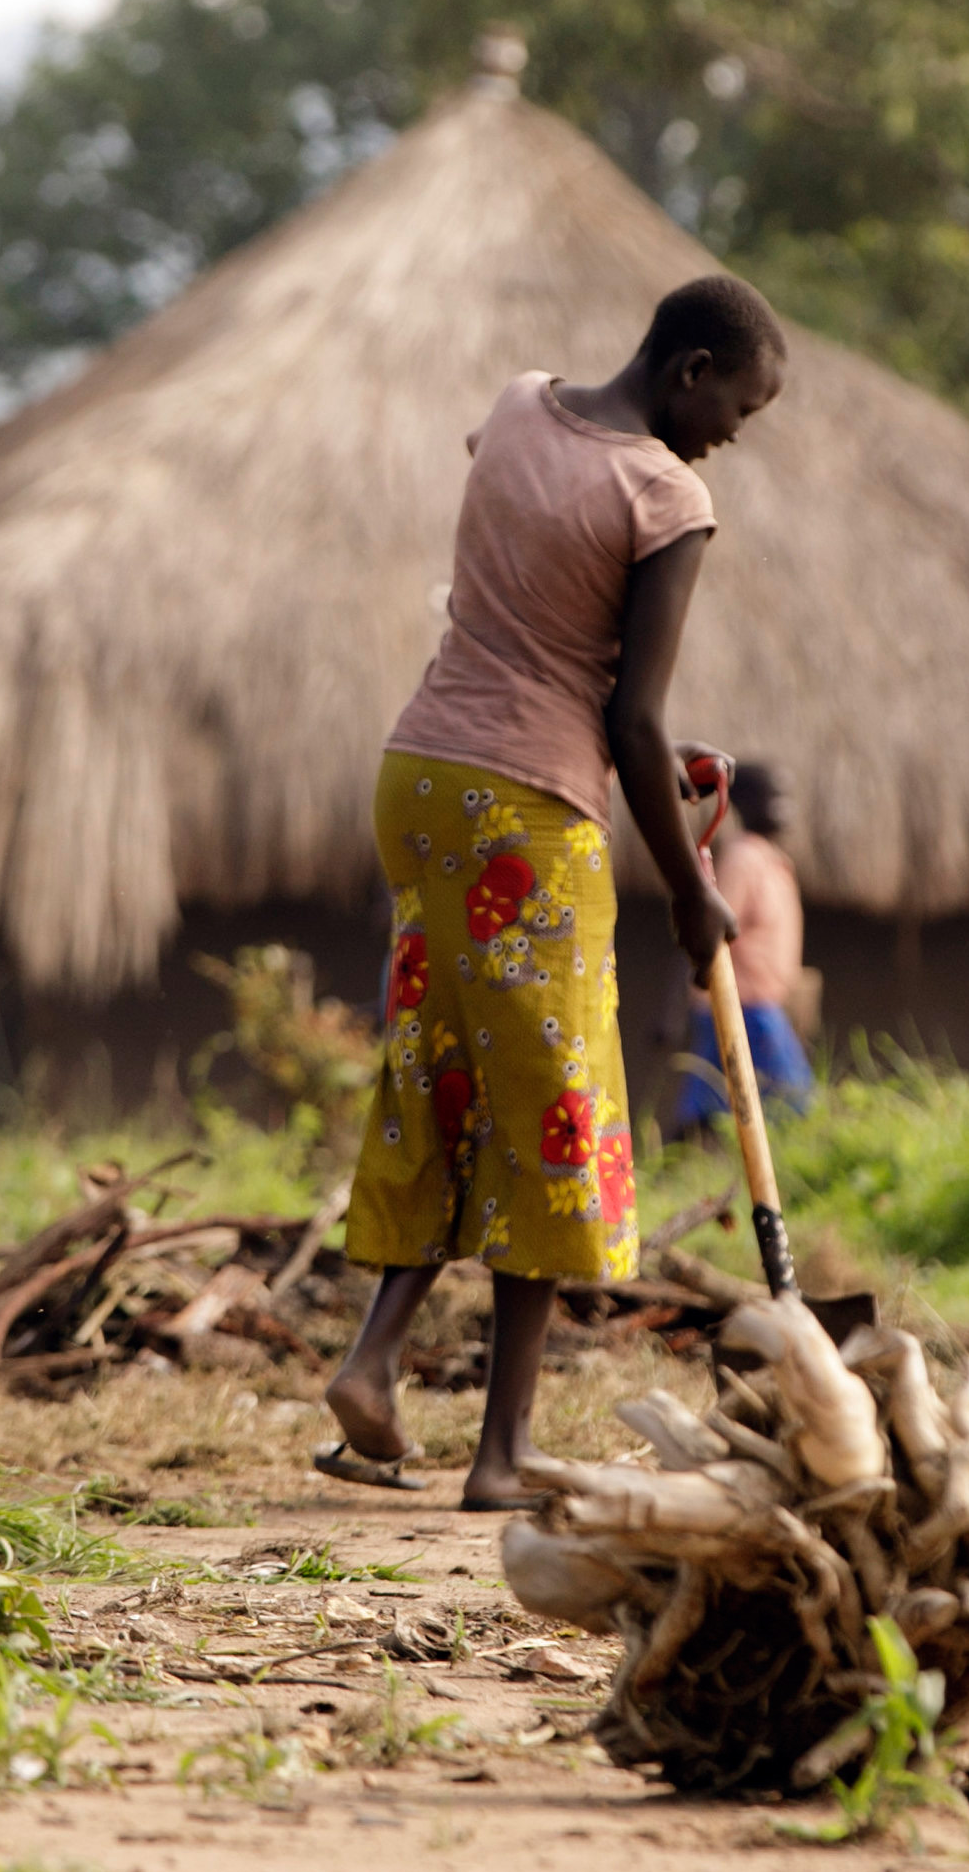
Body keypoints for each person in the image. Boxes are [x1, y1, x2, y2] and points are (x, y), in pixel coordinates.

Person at [317, 273, 787, 1512]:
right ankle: (501, 1452)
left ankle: (371, 1362)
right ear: (688, 369)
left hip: (422, 779)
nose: (730, 436)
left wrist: (657, 758)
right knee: (559, 1112)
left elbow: (547, 628)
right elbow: (627, 710)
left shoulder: (518, 403)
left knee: (448, 1073)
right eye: (734, 408)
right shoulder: (665, 493)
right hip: (525, 817)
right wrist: (690, 888)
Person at [677, 758, 814, 1131]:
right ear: (742, 803)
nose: (780, 805)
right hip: (740, 1006)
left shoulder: (775, 863)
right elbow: (706, 931)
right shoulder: (743, 859)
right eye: (770, 796)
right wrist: (676, 1005)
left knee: (718, 1107)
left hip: (761, 1005)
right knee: (793, 1103)